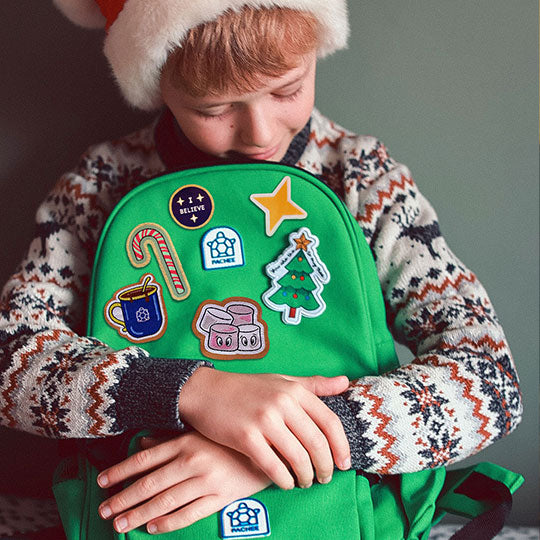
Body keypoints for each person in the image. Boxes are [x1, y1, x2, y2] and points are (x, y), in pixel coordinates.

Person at [0, 0, 522, 536]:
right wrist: (193, 392)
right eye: (213, 108)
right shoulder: (102, 184)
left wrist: (269, 450)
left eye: (287, 89)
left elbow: (491, 381)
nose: (259, 133)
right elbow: (11, 362)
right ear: (156, 81)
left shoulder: (362, 178)